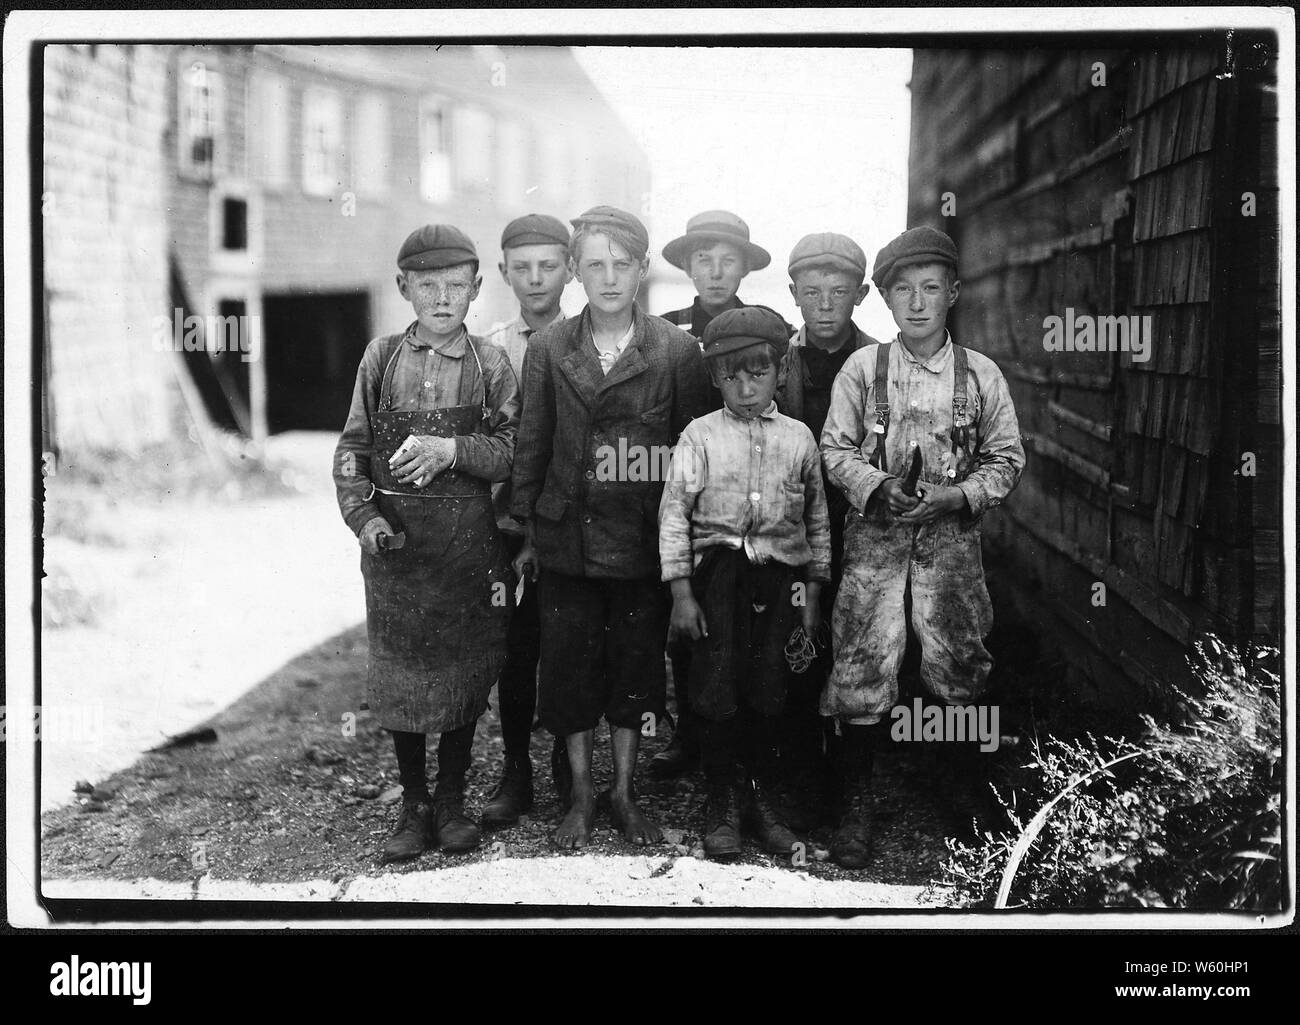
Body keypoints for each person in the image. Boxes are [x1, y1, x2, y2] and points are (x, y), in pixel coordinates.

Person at [820, 226, 1025, 868]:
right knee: (862, 660)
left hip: (951, 550)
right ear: (884, 299)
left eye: (930, 289)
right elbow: (834, 449)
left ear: (952, 294)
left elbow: (1007, 458)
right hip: (875, 545)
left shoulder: (980, 374)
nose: (917, 303)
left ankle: (957, 791)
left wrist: (959, 497)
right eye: (902, 291)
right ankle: (856, 800)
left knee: (957, 661)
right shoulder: (864, 368)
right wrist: (876, 487)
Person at [511, 206, 711, 849]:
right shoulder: (548, 348)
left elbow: (691, 455)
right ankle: (579, 796)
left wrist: (681, 545)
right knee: (567, 672)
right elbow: (531, 447)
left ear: (643, 269)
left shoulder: (674, 351)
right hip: (566, 538)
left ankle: (623, 793)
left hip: (640, 542)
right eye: (594, 264)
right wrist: (527, 535)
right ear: (575, 271)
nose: (608, 278)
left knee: (635, 671)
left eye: (621, 265)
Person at [333, 224, 519, 862]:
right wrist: (365, 520)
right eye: (429, 285)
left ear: (476, 289)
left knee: (464, 676)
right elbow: (353, 452)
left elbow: (515, 452)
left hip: (468, 549)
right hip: (398, 553)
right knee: (402, 678)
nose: (443, 299)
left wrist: (454, 450)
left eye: (457, 286)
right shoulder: (380, 359)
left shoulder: (490, 365)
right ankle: (413, 806)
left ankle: (451, 801)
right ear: (403, 287)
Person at [659, 306, 831, 860]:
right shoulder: (699, 435)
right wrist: (682, 593)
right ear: (714, 378)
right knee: (716, 686)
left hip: (781, 580)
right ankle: (722, 803)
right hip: (718, 578)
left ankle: (761, 802)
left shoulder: (800, 439)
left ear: (780, 372)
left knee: (770, 688)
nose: (745, 387)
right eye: (730, 375)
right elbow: (675, 516)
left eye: (757, 374)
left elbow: (818, 524)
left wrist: (811, 598)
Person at [652, 210, 790, 781]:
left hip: (747, 491)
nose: (715, 271)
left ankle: (755, 746)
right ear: (686, 265)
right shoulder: (666, 329)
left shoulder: (765, 329)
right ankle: (689, 731)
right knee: (685, 622)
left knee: (748, 624)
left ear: (744, 266)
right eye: (703, 259)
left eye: (727, 259)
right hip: (681, 484)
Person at [776, 233, 882, 827]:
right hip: (790, 532)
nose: (824, 304)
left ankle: (854, 790)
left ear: (861, 294)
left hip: (859, 530)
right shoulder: (776, 359)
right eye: (811, 291)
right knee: (797, 648)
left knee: (859, 653)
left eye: (838, 292)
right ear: (793, 293)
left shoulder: (880, 363)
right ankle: (802, 782)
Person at [479, 213, 573, 828]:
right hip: (506, 526)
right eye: (523, 267)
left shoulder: (590, 338)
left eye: (549, 265)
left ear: (569, 267)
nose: (536, 279)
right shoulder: (490, 347)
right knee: (513, 653)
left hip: (571, 527)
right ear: (504, 272)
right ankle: (516, 769)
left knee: (570, 649)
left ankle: (571, 770)